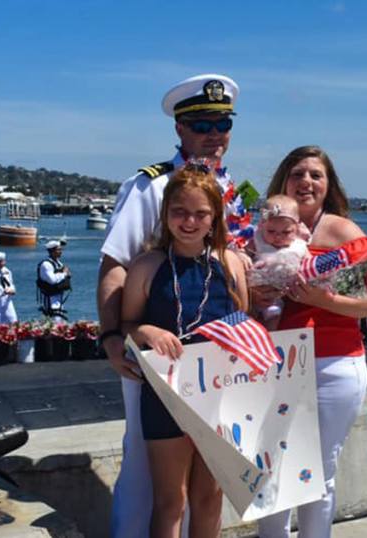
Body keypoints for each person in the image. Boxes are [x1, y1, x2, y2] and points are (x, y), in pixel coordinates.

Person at [96, 74, 253, 537]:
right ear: (180, 129)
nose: (213, 133)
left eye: (222, 122)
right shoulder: (151, 186)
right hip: (156, 356)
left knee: (210, 490)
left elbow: (245, 273)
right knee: (149, 481)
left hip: (218, 369)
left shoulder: (236, 191)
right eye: (201, 124)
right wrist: (111, 337)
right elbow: (115, 265)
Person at [254, 146, 367, 538]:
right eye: (298, 173)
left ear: (329, 186)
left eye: (316, 175)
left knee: (319, 469)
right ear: (283, 181)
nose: (306, 181)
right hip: (276, 360)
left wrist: (321, 300)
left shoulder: (342, 234)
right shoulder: (264, 231)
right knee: (271, 468)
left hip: (333, 362)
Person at [121, 165, 249, 538]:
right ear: (165, 215)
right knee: (171, 500)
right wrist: (147, 331)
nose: (189, 221)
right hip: (165, 394)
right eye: (180, 211)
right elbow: (127, 325)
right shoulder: (147, 266)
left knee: (210, 497)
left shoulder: (230, 264)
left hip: (220, 395)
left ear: (215, 218)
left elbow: (246, 323)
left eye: (200, 213)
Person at [247, 194, 311, 329]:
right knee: (248, 322)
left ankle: (269, 341)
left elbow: (311, 264)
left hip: (277, 296)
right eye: (271, 231)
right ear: (263, 225)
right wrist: (243, 256)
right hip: (252, 291)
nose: (278, 236)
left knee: (273, 316)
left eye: (286, 232)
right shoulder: (258, 240)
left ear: (296, 229)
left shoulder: (299, 246)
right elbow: (243, 253)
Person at [37, 241, 70, 320]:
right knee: (54, 319)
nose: (60, 252)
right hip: (50, 297)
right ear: (52, 251)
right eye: (58, 250)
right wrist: (64, 274)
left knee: (59, 318)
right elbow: (52, 280)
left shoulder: (59, 264)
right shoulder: (46, 264)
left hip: (59, 295)